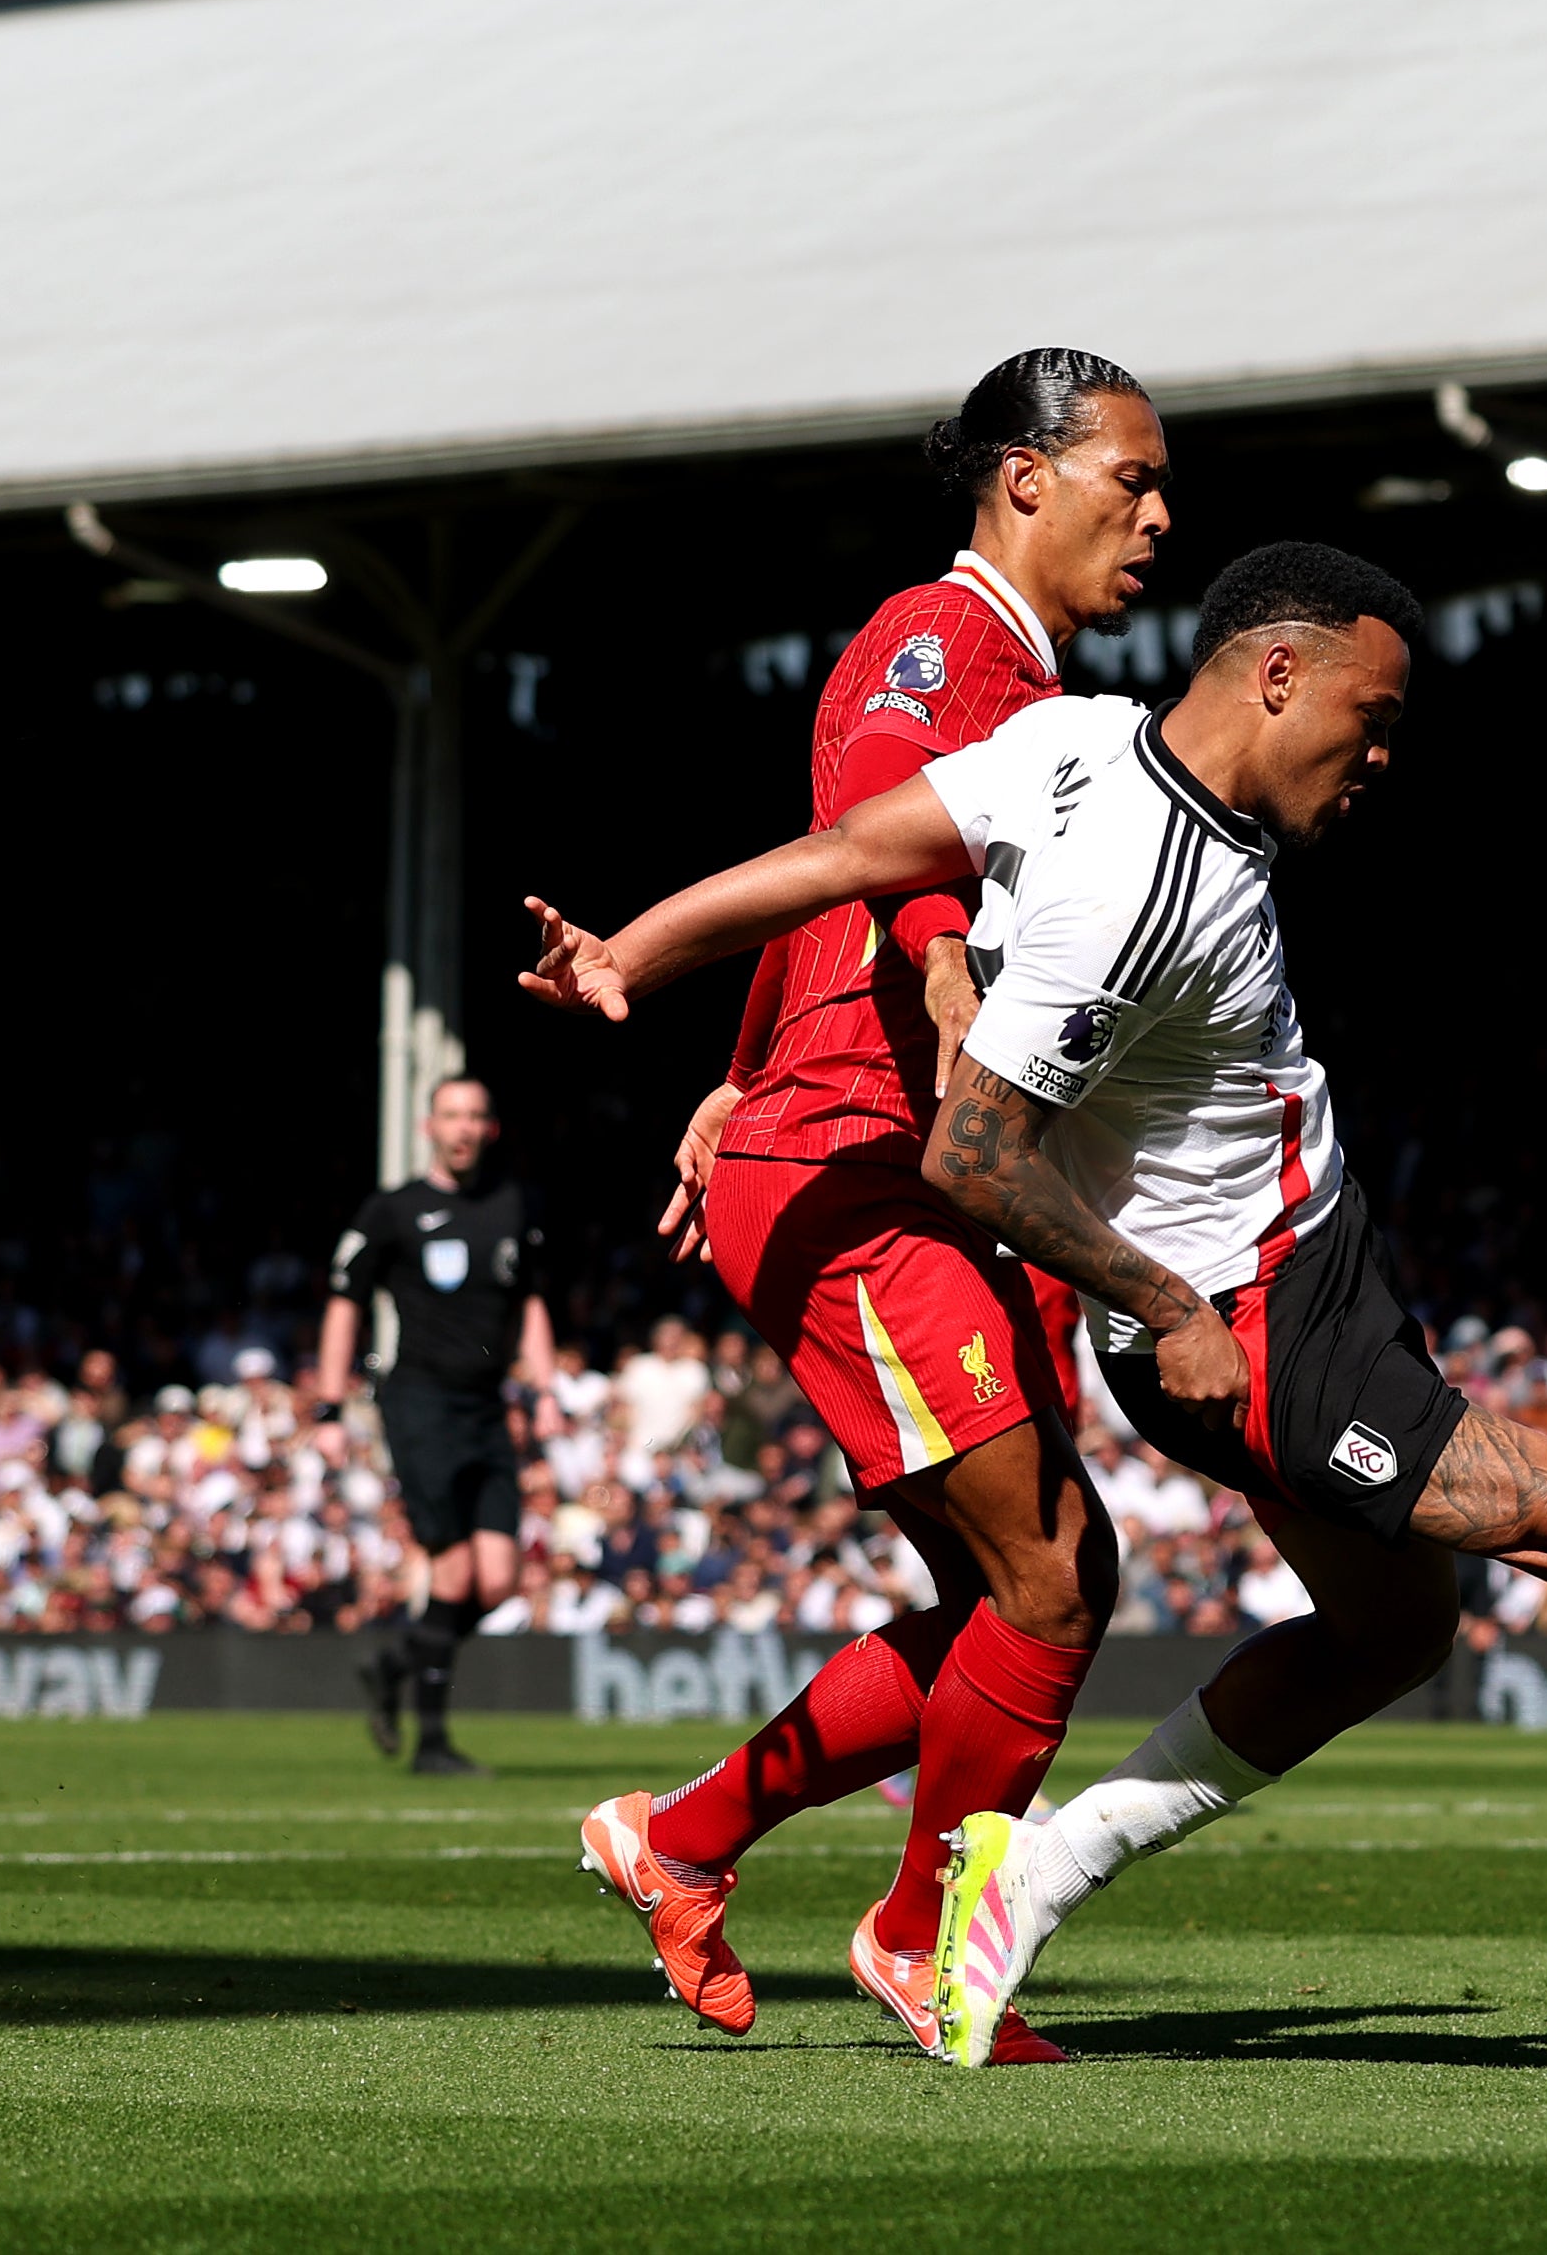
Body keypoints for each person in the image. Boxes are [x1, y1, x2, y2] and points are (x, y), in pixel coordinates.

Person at [524, 540, 1547, 2070]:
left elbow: (852, 851)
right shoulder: (1133, 888)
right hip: (1260, 1320)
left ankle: (1033, 1870)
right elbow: (972, 1153)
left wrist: (638, 954)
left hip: (1305, 1257)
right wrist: (1170, 1302)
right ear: (1280, 675)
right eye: (1375, 717)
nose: (1382, 757)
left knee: (1394, 1625)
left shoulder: (1078, 738)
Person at [567, 348, 1195, 2060]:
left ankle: (681, 1839)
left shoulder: (1043, 687)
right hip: (874, 1175)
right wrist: (920, 979)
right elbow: (879, 825)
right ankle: (923, 1934)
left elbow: (839, 861)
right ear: (1021, 478)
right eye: (1126, 478)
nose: (1157, 512)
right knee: (1054, 1578)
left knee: (1030, 1585)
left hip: (896, 1157)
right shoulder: (946, 639)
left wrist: (740, 1061)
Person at [313, 1074, 557, 1774]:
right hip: (419, 1402)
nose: (462, 1127)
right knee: (451, 1573)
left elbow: (532, 1301)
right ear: (429, 1127)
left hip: (487, 1406)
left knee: (501, 1580)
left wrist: (541, 1389)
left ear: (491, 1129)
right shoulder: (393, 1210)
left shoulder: (512, 1205)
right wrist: (329, 1406)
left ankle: (399, 1662)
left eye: (475, 1115)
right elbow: (344, 1303)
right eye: (451, 1114)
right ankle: (434, 1744)